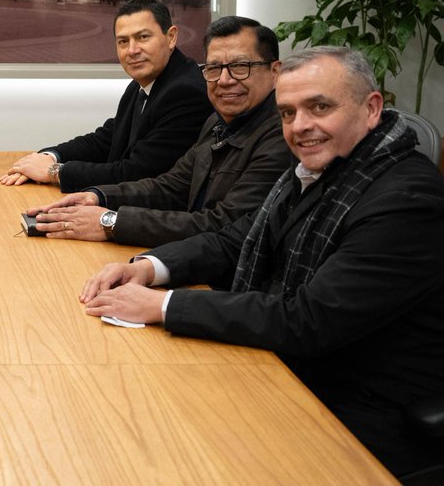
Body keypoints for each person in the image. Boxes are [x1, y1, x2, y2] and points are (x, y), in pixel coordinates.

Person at [79, 46, 444, 478]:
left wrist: (163, 305)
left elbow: (309, 320)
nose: (300, 126)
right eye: (288, 113)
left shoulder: (406, 199)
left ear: (372, 108)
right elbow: (234, 239)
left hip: (366, 407)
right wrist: (149, 267)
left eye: (320, 107)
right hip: (294, 369)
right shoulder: (324, 168)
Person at [25, 16, 290, 246]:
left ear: (275, 71)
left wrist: (111, 221)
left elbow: (223, 225)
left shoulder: (283, 135)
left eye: (240, 67)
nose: (224, 80)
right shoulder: (217, 121)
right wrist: (97, 196)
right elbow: (171, 186)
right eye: (214, 68)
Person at [1, 0, 210, 191]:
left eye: (143, 37)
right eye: (123, 41)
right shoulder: (142, 84)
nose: (132, 50)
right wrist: (48, 157)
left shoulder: (186, 92)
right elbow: (104, 140)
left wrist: (54, 172)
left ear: (171, 37)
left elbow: (137, 173)